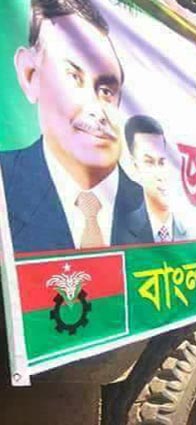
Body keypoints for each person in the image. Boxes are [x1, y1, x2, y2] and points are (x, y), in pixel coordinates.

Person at [0, 0, 153, 253]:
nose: (96, 110)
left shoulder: (150, 205)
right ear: (30, 75)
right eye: (74, 77)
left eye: (106, 91)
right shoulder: (6, 182)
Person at [125, 115, 187, 242]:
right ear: (134, 166)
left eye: (162, 162)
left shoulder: (191, 230)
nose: (159, 174)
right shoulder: (123, 229)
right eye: (149, 162)